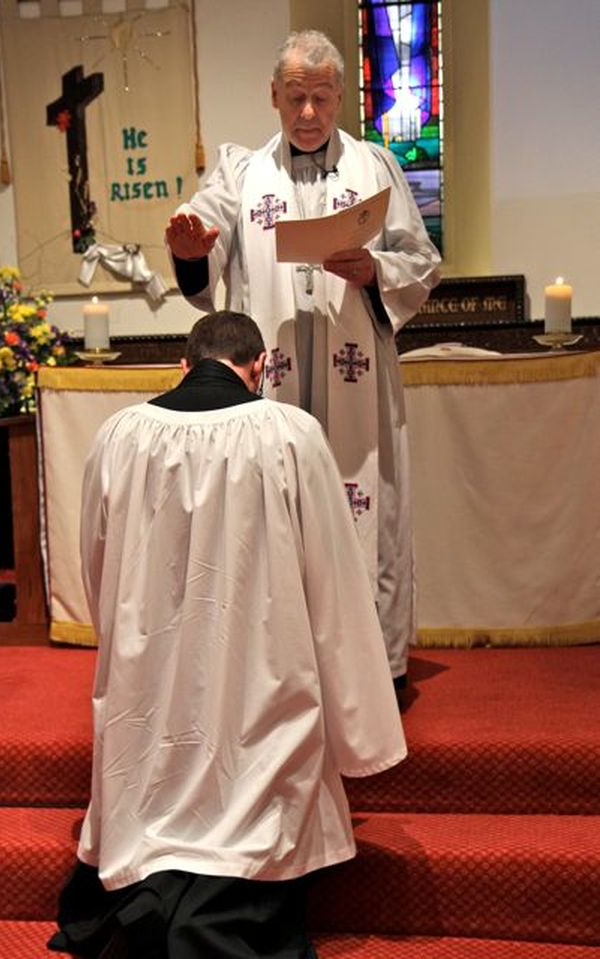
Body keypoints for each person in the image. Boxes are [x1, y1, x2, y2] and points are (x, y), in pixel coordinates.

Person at [48, 310, 407, 959]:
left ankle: (152, 893)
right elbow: (334, 579)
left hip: (149, 693)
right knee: (254, 785)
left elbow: (96, 561)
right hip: (261, 684)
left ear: (183, 366)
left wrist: (129, 643)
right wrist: (360, 727)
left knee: (152, 786)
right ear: (262, 368)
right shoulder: (290, 433)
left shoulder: (120, 434)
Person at [165, 29, 441, 692]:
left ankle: (375, 674)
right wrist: (190, 246)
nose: (309, 113)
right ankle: (280, 673)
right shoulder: (239, 171)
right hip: (272, 384)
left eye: (321, 97)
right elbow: (203, 232)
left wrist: (375, 268)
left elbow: (422, 261)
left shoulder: (377, 166)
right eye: (296, 98)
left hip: (358, 380)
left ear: (342, 95)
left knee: (363, 509)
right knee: (276, 516)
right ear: (274, 96)